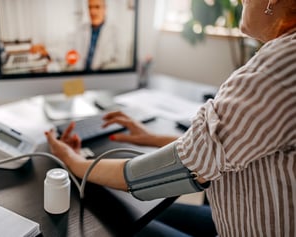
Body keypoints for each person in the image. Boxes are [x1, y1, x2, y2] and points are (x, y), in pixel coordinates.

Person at [45, 0, 296, 236]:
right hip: (242, 220)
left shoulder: (277, 69)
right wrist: (152, 138)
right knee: (138, 213)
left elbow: (153, 177)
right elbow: (231, 146)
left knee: (115, 222)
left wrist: (73, 161)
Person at [68, 0, 127, 71]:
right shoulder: (80, 31)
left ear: (105, 9)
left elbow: (120, 62)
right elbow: (68, 51)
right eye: (90, 7)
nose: (93, 12)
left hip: (103, 78)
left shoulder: (116, 32)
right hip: (80, 77)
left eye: (97, 7)